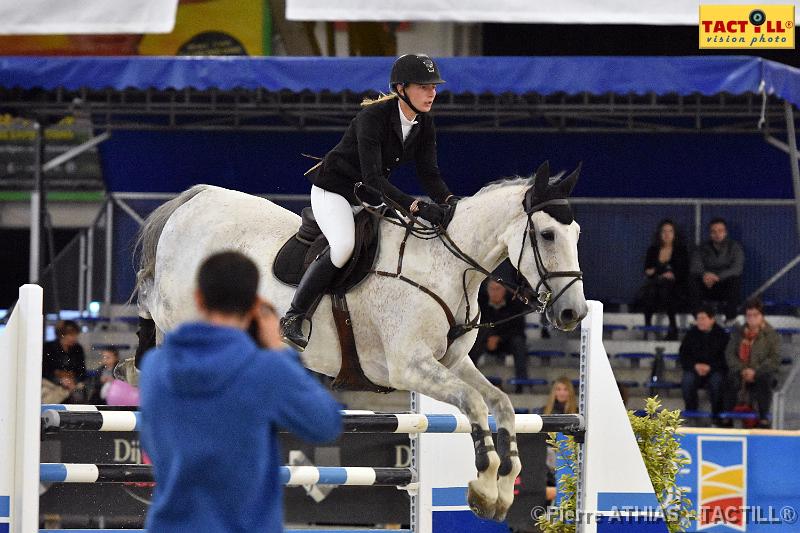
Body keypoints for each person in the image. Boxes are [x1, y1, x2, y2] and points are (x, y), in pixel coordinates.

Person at [139, 251, 342, 532]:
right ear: (253, 305)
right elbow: (325, 423)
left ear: (199, 298)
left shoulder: (154, 367)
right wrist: (279, 350)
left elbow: (153, 445)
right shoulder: (265, 369)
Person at [280, 53, 457, 351]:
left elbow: (429, 173)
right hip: (333, 191)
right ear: (401, 89)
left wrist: (450, 201)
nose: (432, 93)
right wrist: (414, 205)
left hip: (368, 197)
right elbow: (373, 177)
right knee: (344, 246)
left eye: (433, 87)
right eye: (423, 86)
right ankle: (294, 316)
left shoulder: (424, 123)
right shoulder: (372, 118)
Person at [725, 298, 780, 429]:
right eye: (749, 315)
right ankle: (727, 418)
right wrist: (742, 370)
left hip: (761, 372)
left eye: (755, 315)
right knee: (729, 379)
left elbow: (774, 359)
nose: (751, 318)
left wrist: (754, 371)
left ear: (761, 316)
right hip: (741, 371)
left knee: (764, 380)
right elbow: (730, 354)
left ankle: (763, 418)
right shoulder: (738, 333)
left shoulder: (771, 335)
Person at [468, 279, 530, 392]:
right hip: (484, 341)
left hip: (506, 342)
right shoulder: (480, 304)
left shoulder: (515, 305)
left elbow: (518, 329)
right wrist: (489, 338)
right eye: (492, 289)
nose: (495, 292)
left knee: (519, 342)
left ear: (504, 291)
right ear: (487, 290)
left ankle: (522, 384)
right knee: (476, 338)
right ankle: (468, 379)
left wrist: (499, 338)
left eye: (498, 289)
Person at [635, 219, 689, 340]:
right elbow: (648, 271)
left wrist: (667, 273)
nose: (667, 234)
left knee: (667, 288)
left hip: (676, 286)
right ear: (659, 233)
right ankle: (648, 326)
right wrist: (661, 272)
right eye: (664, 231)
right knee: (651, 290)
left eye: (670, 231)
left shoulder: (681, 250)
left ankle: (673, 327)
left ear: (675, 234)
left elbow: (682, 271)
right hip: (655, 285)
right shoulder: (653, 250)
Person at [678, 305, 729, 425]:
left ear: (712, 319)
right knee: (687, 380)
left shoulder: (722, 335)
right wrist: (695, 366)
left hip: (715, 370)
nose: (700, 321)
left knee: (717, 382)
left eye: (703, 318)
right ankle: (691, 414)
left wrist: (710, 367)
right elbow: (683, 355)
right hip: (694, 369)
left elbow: (725, 359)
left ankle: (717, 416)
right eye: (698, 318)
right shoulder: (691, 334)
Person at [689, 218, 744, 322]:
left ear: (725, 232)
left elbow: (737, 268)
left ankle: (730, 319)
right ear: (710, 234)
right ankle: (699, 318)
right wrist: (705, 275)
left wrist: (718, 277)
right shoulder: (702, 248)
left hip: (724, 286)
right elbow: (695, 266)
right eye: (713, 231)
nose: (717, 234)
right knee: (692, 279)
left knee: (735, 280)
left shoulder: (735, 247)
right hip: (707, 286)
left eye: (720, 231)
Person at [42, 320, 87, 396]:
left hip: (73, 383)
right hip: (52, 383)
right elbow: (45, 371)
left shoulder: (78, 349)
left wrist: (73, 381)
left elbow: (81, 371)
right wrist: (60, 381)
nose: (74, 338)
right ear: (61, 335)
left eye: (75, 335)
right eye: (71, 335)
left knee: (79, 393)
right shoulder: (48, 347)